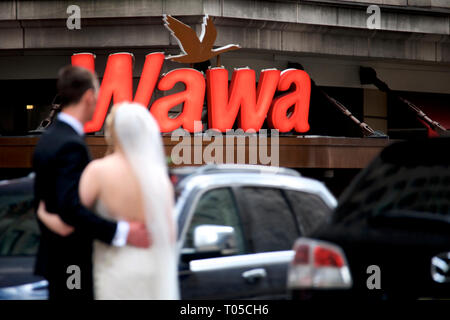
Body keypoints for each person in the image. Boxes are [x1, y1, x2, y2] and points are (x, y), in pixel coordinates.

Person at [38, 102, 179, 300]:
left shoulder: (99, 171)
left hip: (115, 268)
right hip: (151, 268)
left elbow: (70, 221)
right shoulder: (159, 178)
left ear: (112, 133)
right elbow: (171, 235)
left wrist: (43, 214)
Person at [33, 66, 151, 300]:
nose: (97, 101)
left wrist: (46, 217)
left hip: (55, 258)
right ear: (88, 97)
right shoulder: (71, 145)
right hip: (72, 259)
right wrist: (123, 231)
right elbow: (71, 209)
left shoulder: (47, 139)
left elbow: (46, 202)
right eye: (96, 95)